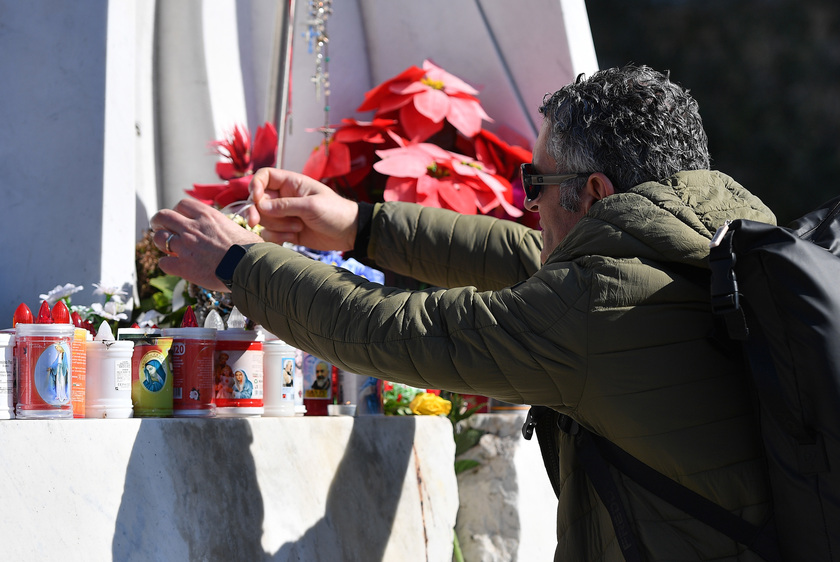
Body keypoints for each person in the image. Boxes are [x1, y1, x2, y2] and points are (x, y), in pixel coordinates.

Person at [150, 65, 775, 560]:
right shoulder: (712, 248)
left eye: (538, 186)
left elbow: (391, 332)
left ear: (596, 193)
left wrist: (240, 264)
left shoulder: (597, 310)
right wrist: (359, 226)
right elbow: (523, 254)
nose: (530, 207)